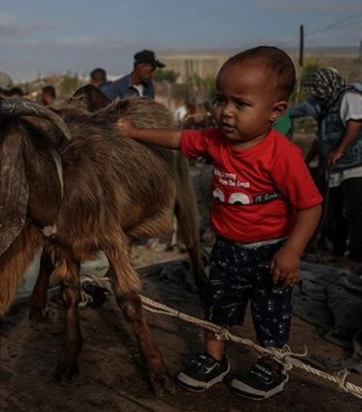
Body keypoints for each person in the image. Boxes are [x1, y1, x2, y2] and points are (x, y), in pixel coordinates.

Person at [118, 46, 322, 400]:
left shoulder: (282, 155)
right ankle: (215, 359)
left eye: (240, 104)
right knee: (217, 306)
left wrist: (292, 251)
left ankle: (272, 364)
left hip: (270, 252)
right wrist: (134, 132)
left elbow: (310, 207)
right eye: (221, 100)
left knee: (270, 313)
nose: (225, 112)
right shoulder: (215, 142)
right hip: (227, 246)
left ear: (276, 111)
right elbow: (179, 139)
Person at [295, 68, 362, 261]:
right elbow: (321, 138)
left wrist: (339, 150)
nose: (318, 95)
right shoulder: (327, 105)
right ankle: (337, 250)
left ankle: (357, 254)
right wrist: (307, 161)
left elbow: (354, 123)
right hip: (337, 168)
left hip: (358, 164)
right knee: (335, 211)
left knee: (355, 210)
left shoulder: (350, 97)